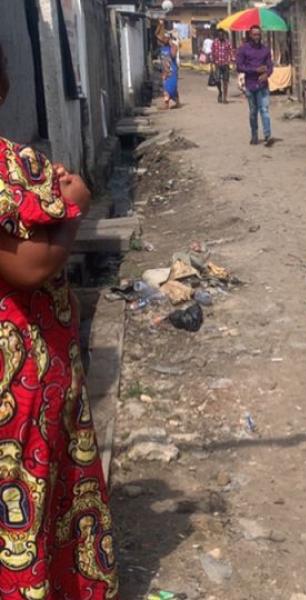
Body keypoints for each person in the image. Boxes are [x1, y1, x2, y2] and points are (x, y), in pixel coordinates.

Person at [0, 42, 119, 599]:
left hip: (39, 365)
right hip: (19, 373)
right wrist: (76, 207)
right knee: (26, 490)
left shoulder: (16, 164)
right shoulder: (9, 165)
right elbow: (30, 266)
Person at [236, 25, 274, 146]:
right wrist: (255, 70)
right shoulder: (243, 49)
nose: (257, 37)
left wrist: (267, 74)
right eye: (254, 34)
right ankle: (254, 135)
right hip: (250, 84)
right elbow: (239, 67)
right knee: (253, 112)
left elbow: (270, 66)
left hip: (263, 85)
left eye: (258, 34)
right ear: (250, 35)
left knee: (264, 110)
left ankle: (267, 136)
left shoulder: (265, 50)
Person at [157, 23, 179, 109]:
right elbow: (157, 35)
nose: (163, 39)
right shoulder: (162, 47)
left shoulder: (174, 46)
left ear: (169, 39)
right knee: (167, 87)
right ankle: (175, 102)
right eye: (163, 38)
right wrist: (160, 25)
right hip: (165, 70)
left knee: (169, 88)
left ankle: (167, 104)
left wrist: (171, 44)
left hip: (172, 71)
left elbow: (173, 55)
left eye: (165, 38)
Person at [211, 28, 234, 104]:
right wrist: (212, 63)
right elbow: (212, 53)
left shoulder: (227, 43)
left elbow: (230, 52)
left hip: (225, 64)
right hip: (217, 64)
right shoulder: (214, 43)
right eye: (219, 34)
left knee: (225, 81)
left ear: (224, 35)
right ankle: (220, 92)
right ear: (218, 35)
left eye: (222, 34)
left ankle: (225, 98)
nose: (221, 36)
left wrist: (231, 60)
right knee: (217, 80)